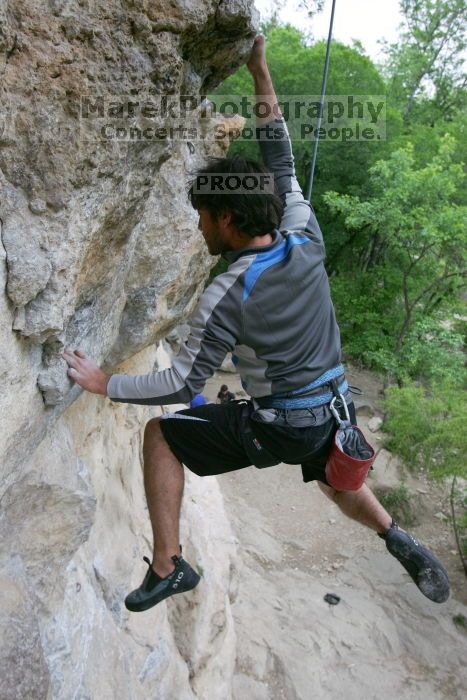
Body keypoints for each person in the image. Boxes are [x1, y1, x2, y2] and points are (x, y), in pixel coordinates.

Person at [63, 35, 450, 612]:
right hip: (334, 408)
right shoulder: (303, 232)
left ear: (225, 217)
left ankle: (169, 565)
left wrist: (105, 384)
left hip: (285, 423)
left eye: (201, 218)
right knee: (332, 475)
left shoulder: (228, 291)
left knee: (162, 435)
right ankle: (396, 534)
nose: (198, 231)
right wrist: (260, 74)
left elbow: (180, 385)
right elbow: (280, 156)